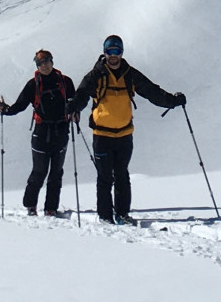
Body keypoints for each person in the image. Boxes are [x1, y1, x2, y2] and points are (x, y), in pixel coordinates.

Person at [71, 35, 184, 224]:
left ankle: (122, 214)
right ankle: (105, 217)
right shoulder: (96, 75)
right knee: (105, 178)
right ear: (105, 53)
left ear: (122, 52)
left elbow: (151, 91)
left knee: (122, 175)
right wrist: (74, 106)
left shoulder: (130, 74)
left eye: (117, 51)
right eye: (110, 51)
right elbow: (82, 94)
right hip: (102, 135)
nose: (113, 55)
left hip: (124, 134)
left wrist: (172, 101)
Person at [0, 50, 77, 217]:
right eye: (40, 63)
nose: (44, 66)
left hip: (60, 132)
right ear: (37, 66)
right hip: (42, 133)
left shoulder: (65, 82)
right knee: (40, 171)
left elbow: (74, 103)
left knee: (56, 172)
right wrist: (6, 110)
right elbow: (20, 105)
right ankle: (30, 205)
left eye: (46, 61)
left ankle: (50, 208)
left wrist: (76, 113)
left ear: (52, 62)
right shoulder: (33, 85)